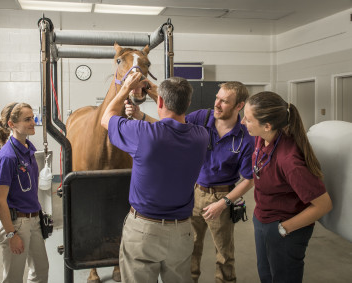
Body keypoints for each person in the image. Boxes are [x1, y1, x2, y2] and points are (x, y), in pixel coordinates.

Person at [126, 81, 255, 283]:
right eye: (217, 98)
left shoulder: (245, 139)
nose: (217, 104)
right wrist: (140, 115)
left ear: (239, 106)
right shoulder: (202, 118)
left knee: (225, 254)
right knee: (189, 250)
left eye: (224, 102)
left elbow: (248, 180)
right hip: (193, 193)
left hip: (222, 197)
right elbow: (169, 127)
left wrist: (223, 203)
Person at [101, 73, 209, 283]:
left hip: (144, 230)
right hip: (182, 231)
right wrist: (151, 95)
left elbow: (107, 118)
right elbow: (171, 126)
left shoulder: (143, 134)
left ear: (160, 101)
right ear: (188, 103)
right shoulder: (200, 136)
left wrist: (126, 88)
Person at [241, 91, 333, 283]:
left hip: (285, 228)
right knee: (266, 275)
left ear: (267, 125)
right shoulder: (263, 137)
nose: (243, 122)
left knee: (283, 278)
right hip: (263, 219)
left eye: (248, 119)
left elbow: (323, 205)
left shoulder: (289, 161)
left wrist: (283, 229)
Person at [0, 102, 49, 283]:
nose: (33, 122)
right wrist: (11, 234)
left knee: (41, 270)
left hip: (34, 220)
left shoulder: (29, 151)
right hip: (16, 223)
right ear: (11, 124)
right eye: (27, 119)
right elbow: (0, 201)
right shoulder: (7, 157)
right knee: (14, 277)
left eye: (32, 118)